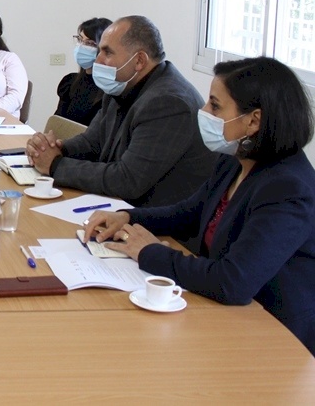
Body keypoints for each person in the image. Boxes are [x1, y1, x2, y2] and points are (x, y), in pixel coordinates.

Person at [83, 57, 315, 355]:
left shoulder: (288, 189)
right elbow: (189, 213)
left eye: (215, 106)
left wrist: (150, 252)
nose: (203, 111)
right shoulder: (235, 161)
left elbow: (233, 281)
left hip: (273, 338)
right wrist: (127, 217)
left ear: (253, 120)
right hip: (221, 314)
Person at [26, 16, 216, 207]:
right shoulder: (122, 85)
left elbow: (128, 180)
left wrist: (55, 165)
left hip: (155, 216)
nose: (98, 60)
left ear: (139, 60)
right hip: (121, 206)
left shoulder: (168, 103)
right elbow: (91, 142)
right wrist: (52, 150)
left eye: (107, 52)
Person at [54, 17, 110, 125]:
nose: (81, 47)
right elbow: (57, 122)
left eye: (89, 43)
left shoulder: (110, 90)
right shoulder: (70, 82)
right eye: (80, 40)